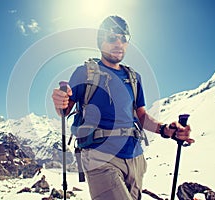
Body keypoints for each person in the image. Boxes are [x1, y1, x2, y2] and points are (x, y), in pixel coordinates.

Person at [52, 15, 194, 200]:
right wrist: (60, 100)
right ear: (100, 41)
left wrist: (166, 130)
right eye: (111, 38)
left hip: (135, 157)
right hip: (100, 157)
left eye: (124, 38)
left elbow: (140, 115)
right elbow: (65, 110)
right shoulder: (85, 72)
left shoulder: (134, 78)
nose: (118, 43)